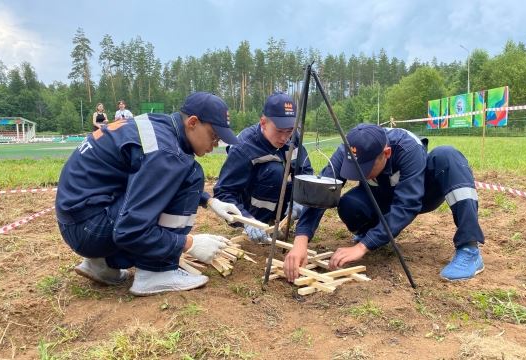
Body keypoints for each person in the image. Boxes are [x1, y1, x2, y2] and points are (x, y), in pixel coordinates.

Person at [56, 92, 242, 296]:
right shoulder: (167, 153)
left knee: (176, 172)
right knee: (190, 173)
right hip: (90, 228)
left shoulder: (160, 125)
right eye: (214, 136)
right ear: (193, 122)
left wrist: (210, 201)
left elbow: (149, 180)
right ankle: (156, 271)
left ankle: (102, 263)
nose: (215, 145)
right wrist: (190, 244)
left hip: (77, 218)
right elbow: (130, 231)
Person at [284, 123, 485, 282]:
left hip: (420, 194)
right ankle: (377, 233)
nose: (358, 175)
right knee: (350, 205)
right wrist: (301, 240)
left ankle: (469, 248)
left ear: (386, 154)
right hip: (380, 194)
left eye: (364, 168)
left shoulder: (408, 149)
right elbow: (321, 192)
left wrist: (362, 247)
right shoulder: (349, 148)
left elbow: (407, 205)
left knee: (447, 155)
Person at [213, 92, 313, 243]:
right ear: (263, 123)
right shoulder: (244, 147)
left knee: (299, 184)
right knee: (274, 171)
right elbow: (224, 191)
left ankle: (279, 222)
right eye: (279, 131)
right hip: (248, 201)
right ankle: (261, 226)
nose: (284, 137)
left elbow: (305, 172)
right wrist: (247, 220)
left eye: (290, 130)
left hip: (277, 193)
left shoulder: (293, 138)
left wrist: (300, 201)